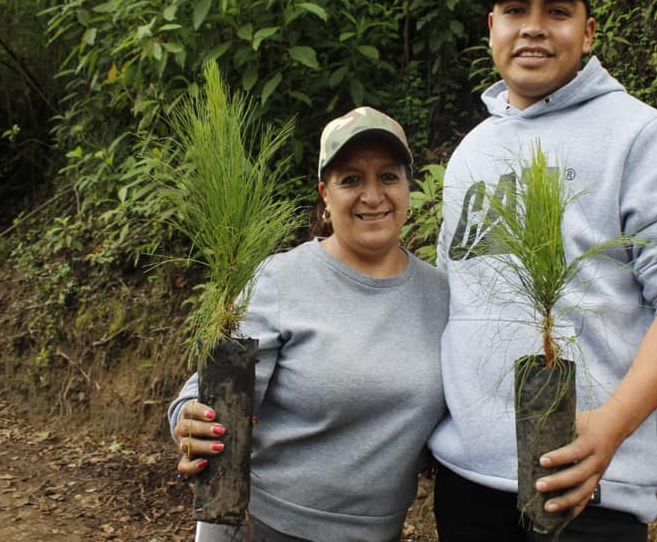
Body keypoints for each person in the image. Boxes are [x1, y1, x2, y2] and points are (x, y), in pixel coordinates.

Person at [428, 0, 657, 541]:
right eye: (515, 9)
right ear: (492, 29)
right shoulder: (471, 152)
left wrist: (611, 427)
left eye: (557, 11)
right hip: (465, 486)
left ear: (587, 33)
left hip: (592, 492)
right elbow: (451, 308)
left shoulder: (638, 134)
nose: (533, 26)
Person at [168, 107, 448, 542]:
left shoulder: (441, 295)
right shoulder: (281, 280)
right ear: (325, 194)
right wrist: (190, 421)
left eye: (388, 177)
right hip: (268, 527)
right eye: (351, 179)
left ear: (409, 187)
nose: (373, 196)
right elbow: (204, 393)